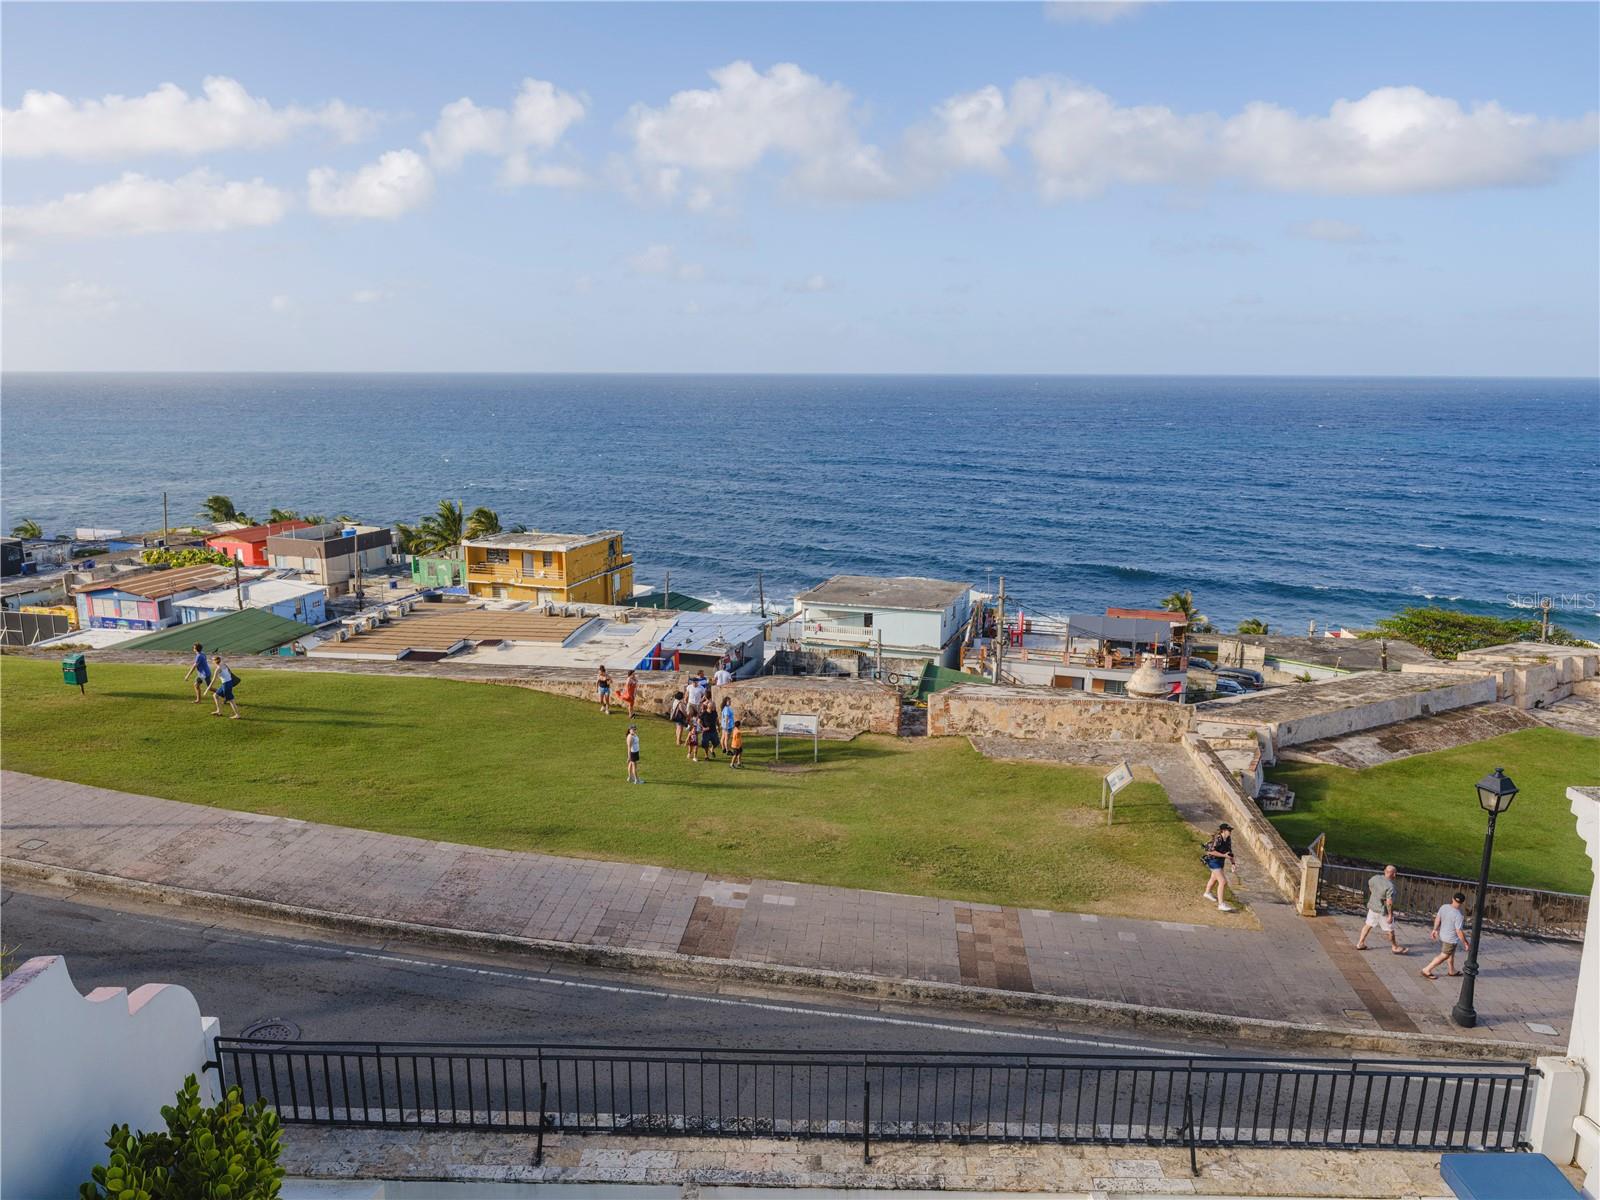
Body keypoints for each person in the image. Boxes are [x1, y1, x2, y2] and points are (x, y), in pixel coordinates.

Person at [1356, 864, 1406, 954]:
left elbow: (1370, 884)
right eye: (1394, 873)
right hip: (1383, 911)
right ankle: (1394, 947)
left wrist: (1374, 893)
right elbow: (1389, 902)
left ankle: (1360, 943)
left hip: (1373, 907)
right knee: (1390, 930)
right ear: (1392, 874)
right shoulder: (1390, 886)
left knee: (1368, 925)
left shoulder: (1375, 878)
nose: (1395, 875)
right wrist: (1390, 915)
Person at [1421, 891, 1469, 979]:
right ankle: (1427, 969)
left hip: (1443, 935)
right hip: (1450, 939)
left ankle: (1451, 970)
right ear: (1462, 903)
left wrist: (1435, 929)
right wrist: (1465, 943)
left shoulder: (1444, 907)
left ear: (1452, 899)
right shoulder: (1458, 915)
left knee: (1451, 953)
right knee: (1444, 955)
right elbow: (1459, 931)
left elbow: (1438, 919)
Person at [1200, 823, 1237, 912]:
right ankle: (1221, 904)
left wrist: (1233, 863)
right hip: (1213, 861)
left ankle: (1207, 893)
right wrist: (1224, 855)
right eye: (1229, 830)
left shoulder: (1228, 839)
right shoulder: (1218, 838)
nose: (1230, 831)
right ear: (1223, 831)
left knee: (1214, 878)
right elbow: (1210, 851)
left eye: (1230, 830)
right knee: (1223, 881)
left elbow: (1229, 852)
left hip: (1220, 861)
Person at [208, 653, 241, 719]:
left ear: (215, 662)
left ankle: (237, 715)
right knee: (215, 695)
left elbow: (214, 680)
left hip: (226, 685)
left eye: (212, 660)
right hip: (228, 683)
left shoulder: (218, 669)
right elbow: (229, 672)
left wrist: (209, 687)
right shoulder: (224, 664)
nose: (212, 661)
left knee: (231, 700)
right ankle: (219, 711)